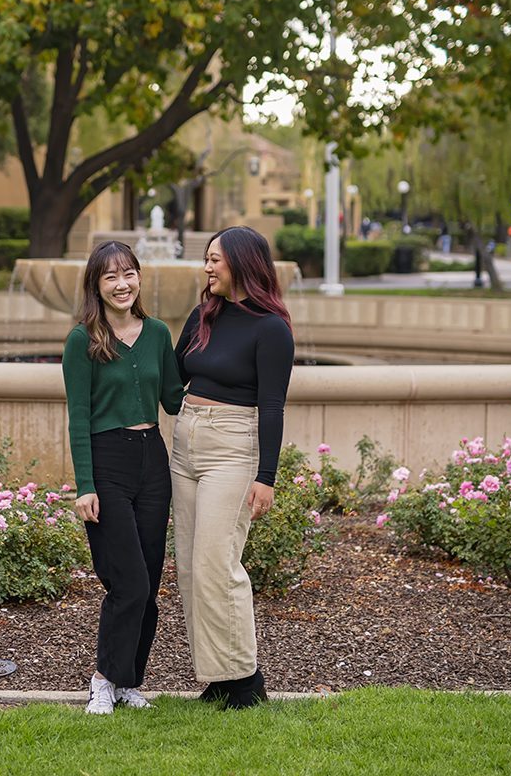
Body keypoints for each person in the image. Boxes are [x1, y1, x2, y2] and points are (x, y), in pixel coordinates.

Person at [172, 226, 295, 709]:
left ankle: (246, 679)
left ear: (243, 263)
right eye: (207, 259)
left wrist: (266, 477)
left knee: (217, 564)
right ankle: (219, 677)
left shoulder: (271, 328)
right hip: (186, 443)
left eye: (215, 260)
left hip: (233, 448)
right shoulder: (204, 314)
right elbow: (175, 373)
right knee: (189, 567)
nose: (207, 267)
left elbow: (273, 406)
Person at [62, 240, 184, 715]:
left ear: (138, 278)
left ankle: (129, 681)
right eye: (110, 276)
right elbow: (78, 416)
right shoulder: (82, 340)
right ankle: (102, 679)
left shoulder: (156, 333)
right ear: (96, 285)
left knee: (149, 583)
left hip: (153, 461)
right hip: (107, 461)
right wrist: (85, 485)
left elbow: (174, 397)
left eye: (128, 273)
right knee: (127, 582)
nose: (122, 284)